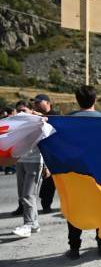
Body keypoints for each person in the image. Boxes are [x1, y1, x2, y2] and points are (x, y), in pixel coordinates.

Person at [65, 86, 101, 259]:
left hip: (74, 172)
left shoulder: (67, 120)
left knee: (75, 209)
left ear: (77, 100)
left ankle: (74, 248)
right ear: (95, 99)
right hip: (99, 172)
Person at [11, 101, 44, 238]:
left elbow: (46, 142)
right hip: (20, 161)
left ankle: (28, 224)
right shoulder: (16, 124)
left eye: (24, 110)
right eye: (18, 110)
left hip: (34, 162)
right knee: (23, 195)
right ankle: (34, 224)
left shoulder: (39, 122)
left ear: (31, 110)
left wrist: (46, 166)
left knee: (28, 194)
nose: (21, 113)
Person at [31, 94, 59, 214]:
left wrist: (42, 117)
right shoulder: (36, 117)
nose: (36, 104)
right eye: (35, 102)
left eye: (39, 102)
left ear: (47, 103)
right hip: (42, 153)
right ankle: (45, 204)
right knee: (47, 181)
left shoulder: (57, 116)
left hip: (57, 154)